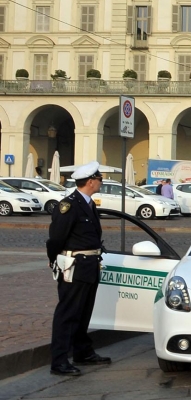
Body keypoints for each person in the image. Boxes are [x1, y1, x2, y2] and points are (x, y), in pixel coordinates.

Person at [46, 161, 111, 376]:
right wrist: (53, 259)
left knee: (84, 312)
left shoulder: (88, 203)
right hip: (74, 265)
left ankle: (82, 351)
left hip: (89, 265)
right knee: (68, 313)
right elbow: (56, 238)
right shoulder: (69, 205)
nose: (101, 181)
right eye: (99, 178)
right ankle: (59, 361)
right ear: (90, 182)